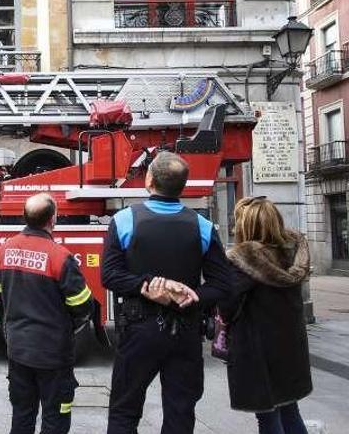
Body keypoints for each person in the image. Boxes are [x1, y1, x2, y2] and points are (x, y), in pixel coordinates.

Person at [101, 151, 232, 434]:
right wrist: (190, 294)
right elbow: (222, 285)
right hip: (186, 333)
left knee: (124, 410)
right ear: (183, 186)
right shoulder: (203, 227)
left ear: (148, 179)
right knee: (180, 412)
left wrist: (146, 286)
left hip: (138, 331)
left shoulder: (124, 220)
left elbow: (109, 275)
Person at [0, 193, 96, 434]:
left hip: (18, 350)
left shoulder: (4, 250)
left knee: (22, 416)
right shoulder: (61, 257)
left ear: (25, 217)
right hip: (53, 354)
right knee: (55, 419)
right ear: (53, 219)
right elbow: (82, 305)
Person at [222, 196, 312, 434]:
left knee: (267, 417)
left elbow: (228, 308)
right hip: (291, 347)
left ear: (247, 226)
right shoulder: (292, 253)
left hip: (257, 350)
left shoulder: (242, 261)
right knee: (290, 410)